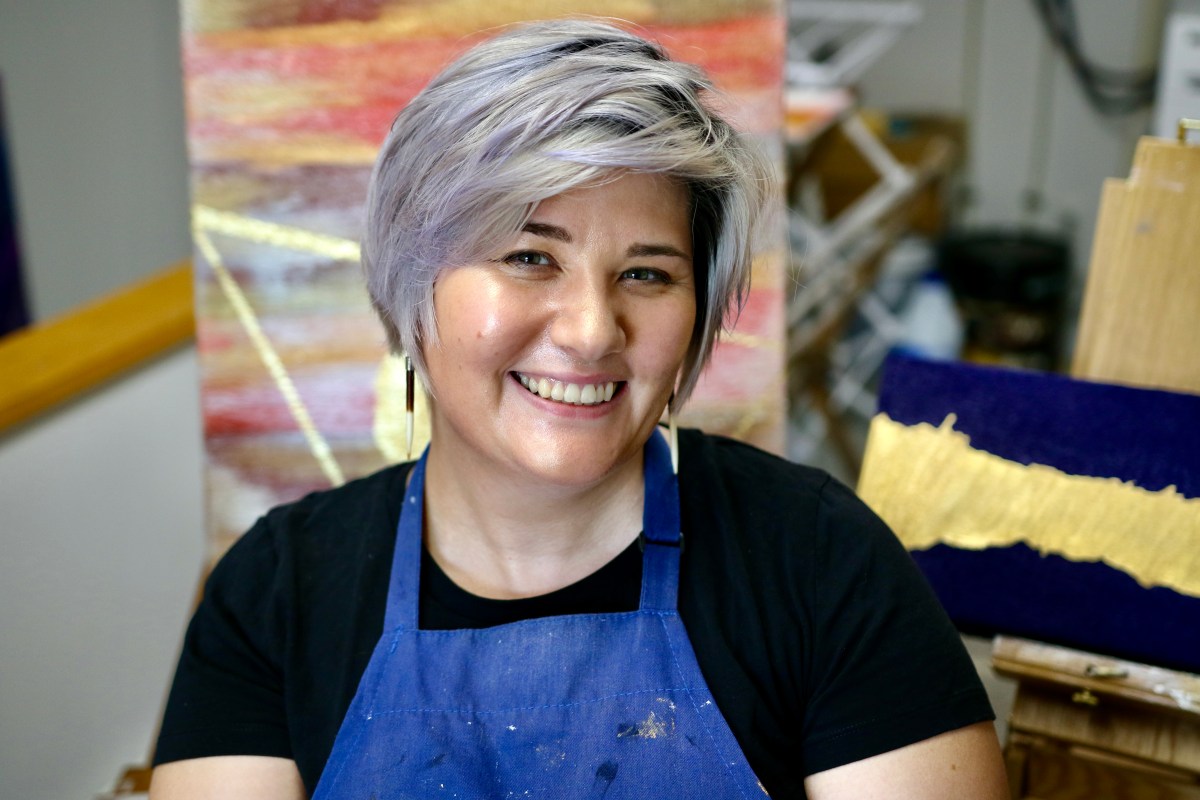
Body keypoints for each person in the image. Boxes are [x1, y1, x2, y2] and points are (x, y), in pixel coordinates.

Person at [150, 19, 1008, 800]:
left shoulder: (820, 564)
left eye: (648, 273)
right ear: (413, 284)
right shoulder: (275, 598)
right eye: (529, 256)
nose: (595, 331)